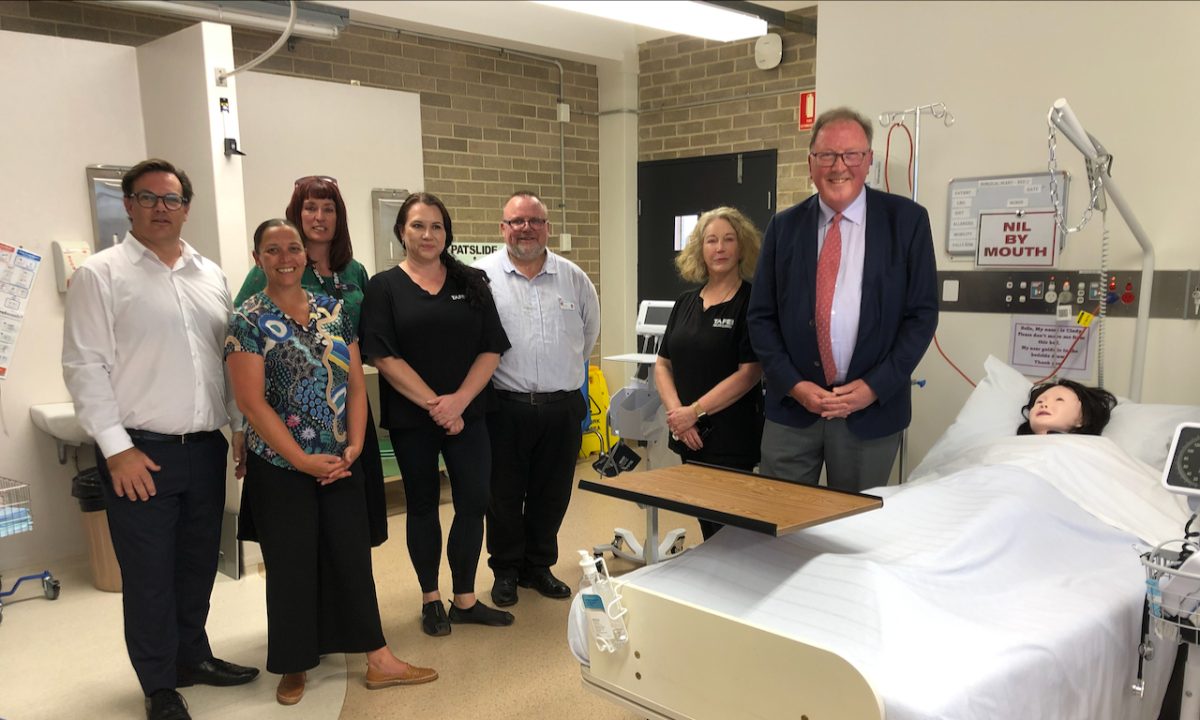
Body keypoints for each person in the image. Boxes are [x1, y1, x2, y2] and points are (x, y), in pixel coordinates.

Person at [62, 158, 259, 720]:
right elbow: (84, 367)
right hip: (139, 453)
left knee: (198, 565)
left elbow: (226, 362)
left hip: (204, 447)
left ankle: (192, 657)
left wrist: (238, 427)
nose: (160, 208)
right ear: (128, 205)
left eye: (171, 199)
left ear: (186, 207)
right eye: (147, 198)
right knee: (149, 576)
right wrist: (116, 448)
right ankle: (157, 684)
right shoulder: (101, 275)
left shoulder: (210, 274)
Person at [226, 219, 436, 706]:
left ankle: (379, 658)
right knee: (290, 563)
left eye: (293, 247)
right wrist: (301, 459)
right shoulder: (247, 319)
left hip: (340, 460)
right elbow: (251, 402)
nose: (285, 257)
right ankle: (293, 663)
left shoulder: (334, 311)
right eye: (273, 249)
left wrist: (357, 445)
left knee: (351, 558)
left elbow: (358, 382)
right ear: (258, 259)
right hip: (279, 465)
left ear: (307, 256)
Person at [747, 107, 939, 493]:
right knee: (777, 519)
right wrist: (794, 385)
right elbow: (761, 318)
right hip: (793, 409)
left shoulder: (907, 222)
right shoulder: (783, 227)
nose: (839, 166)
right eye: (827, 156)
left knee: (852, 527)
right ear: (811, 164)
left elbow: (921, 317)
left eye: (851, 154)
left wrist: (874, 387)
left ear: (868, 161)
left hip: (870, 412)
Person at [360, 192, 514, 636]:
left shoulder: (471, 281)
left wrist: (460, 402)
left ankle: (465, 598)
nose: (428, 235)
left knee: (474, 502)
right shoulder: (383, 287)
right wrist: (437, 405)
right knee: (423, 505)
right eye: (418, 226)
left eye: (437, 227)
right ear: (401, 232)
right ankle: (431, 598)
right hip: (414, 419)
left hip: (470, 413)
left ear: (447, 233)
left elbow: (492, 347)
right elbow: (382, 355)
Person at [234, 175, 387, 547]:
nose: (320, 216)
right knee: (296, 544)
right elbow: (242, 348)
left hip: (346, 417)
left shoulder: (354, 272)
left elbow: (363, 339)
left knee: (348, 537)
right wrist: (240, 425)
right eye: (310, 207)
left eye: (329, 208)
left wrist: (354, 437)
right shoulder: (267, 272)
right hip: (286, 427)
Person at [475, 191, 600, 608]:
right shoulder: (481, 277)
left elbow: (587, 337)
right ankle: (507, 570)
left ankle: (539, 565)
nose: (525, 228)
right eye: (516, 221)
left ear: (547, 227)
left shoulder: (573, 278)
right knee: (504, 495)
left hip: (561, 406)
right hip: (504, 406)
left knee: (553, 493)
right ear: (503, 228)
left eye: (534, 221)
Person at [654, 207, 764, 540]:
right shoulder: (685, 303)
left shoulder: (752, 302)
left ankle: (735, 588)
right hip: (690, 435)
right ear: (700, 249)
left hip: (731, 436)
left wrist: (694, 412)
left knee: (731, 529)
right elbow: (662, 363)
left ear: (742, 247)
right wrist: (678, 415)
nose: (720, 248)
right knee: (705, 519)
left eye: (729, 240)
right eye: (711, 240)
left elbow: (750, 372)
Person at [1017, 379, 1117, 436]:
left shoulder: (1091, 449)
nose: (1044, 405)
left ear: (1082, 418)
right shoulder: (1011, 445)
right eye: (1039, 402)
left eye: (1059, 400)